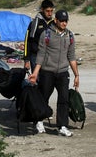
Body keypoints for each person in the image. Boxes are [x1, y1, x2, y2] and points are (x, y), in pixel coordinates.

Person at [28, 9, 79, 137]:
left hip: (62, 72)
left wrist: (77, 75)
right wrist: (35, 73)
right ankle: (39, 121)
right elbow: (40, 55)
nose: (64, 23)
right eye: (61, 21)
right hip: (47, 72)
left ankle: (62, 126)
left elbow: (71, 57)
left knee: (64, 99)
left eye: (66, 21)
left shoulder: (70, 36)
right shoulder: (46, 34)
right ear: (55, 20)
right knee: (43, 97)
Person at [23, 0, 55, 71]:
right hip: (36, 56)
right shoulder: (34, 23)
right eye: (47, 11)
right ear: (42, 10)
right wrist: (26, 60)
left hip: (50, 57)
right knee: (36, 79)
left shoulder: (54, 24)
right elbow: (27, 41)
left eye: (51, 11)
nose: (50, 14)